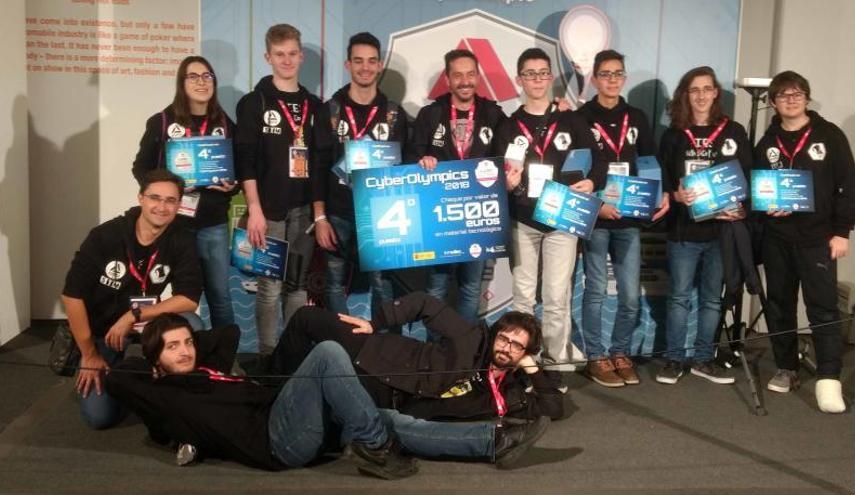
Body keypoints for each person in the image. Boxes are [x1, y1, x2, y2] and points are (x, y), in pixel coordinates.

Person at [106, 313, 551, 478]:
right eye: (172, 347)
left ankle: (493, 442)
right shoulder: (165, 390)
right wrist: (134, 330)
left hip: (284, 414)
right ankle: (375, 446)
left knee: (396, 422)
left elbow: (224, 334)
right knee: (327, 353)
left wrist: (171, 327)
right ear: (155, 361)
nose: (184, 351)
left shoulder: (205, 366)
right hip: (276, 442)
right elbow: (119, 376)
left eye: (186, 342)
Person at [268, 291, 564, 423]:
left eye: (516, 346)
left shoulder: (509, 391)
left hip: (387, 397)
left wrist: (531, 367)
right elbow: (424, 303)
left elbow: (553, 407)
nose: (506, 348)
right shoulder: (472, 337)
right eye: (504, 338)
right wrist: (377, 322)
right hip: (381, 357)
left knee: (328, 386)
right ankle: (271, 389)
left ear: (525, 353)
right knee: (307, 317)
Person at [753, 71, 855, 413]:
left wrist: (842, 231)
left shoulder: (829, 136)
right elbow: (760, 192)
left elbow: (850, 187)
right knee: (780, 305)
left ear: (807, 97)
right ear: (773, 102)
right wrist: (769, 209)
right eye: (784, 95)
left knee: (822, 308)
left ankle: (830, 377)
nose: (791, 99)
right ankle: (787, 367)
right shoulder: (766, 144)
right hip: (778, 239)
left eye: (798, 93)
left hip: (818, 238)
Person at [60, 169, 203, 429]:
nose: (162, 207)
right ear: (140, 198)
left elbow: (189, 298)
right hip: (103, 335)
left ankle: (151, 376)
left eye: (171, 200)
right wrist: (89, 354)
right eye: (155, 198)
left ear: (179, 205)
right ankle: (133, 375)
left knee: (191, 323)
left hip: (145, 329)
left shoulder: (182, 239)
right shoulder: (104, 236)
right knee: (100, 418)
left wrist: (134, 315)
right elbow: (72, 296)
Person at [492, 48, 601, 376]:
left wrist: (593, 181)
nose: (537, 79)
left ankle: (554, 368)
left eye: (542, 73)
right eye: (530, 73)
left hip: (561, 221)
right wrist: (505, 186)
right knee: (523, 299)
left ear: (551, 78)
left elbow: (598, 159)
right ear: (518, 79)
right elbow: (496, 174)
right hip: (522, 221)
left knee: (556, 298)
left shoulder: (571, 119)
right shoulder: (508, 126)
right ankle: (521, 367)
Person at [576, 49, 669, 388]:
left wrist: (661, 194)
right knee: (596, 291)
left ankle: (620, 352)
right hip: (598, 218)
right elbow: (576, 170)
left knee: (630, 296)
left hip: (629, 219)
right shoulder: (580, 118)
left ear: (624, 78)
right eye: (605, 74)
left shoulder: (637, 117)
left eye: (618, 74)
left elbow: (649, 161)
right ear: (594, 78)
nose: (612, 80)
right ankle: (596, 357)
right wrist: (596, 204)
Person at [655, 66, 752, 385]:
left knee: (712, 298)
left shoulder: (733, 132)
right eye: (693, 89)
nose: (700, 95)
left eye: (706, 89)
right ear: (686, 94)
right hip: (684, 231)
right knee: (679, 296)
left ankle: (703, 358)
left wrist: (740, 209)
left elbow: (747, 177)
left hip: (721, 231)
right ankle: (673, 359)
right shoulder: (673, 135)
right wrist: (675, 194)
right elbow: (663, 179)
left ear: (715, 93)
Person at [235, 24, 322, 354]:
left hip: (304, 211)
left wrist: (319, 212)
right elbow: (246, 159)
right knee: (269, 287)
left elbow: (321, 161)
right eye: (279, 54)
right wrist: (253, 209)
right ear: (267, 57)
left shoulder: (315, 105)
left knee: (297, 285)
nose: (286, 61)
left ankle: (294, 353)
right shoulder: (254, 102)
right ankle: (269, 355)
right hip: (268, 211)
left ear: (301, 56)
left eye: (292, 54)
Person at [132, 55, 237, 329]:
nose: (201, 82)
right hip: (175, 224)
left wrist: (231, 185)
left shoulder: (226, 125)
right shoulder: (163, 122)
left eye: (207, 76)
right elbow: (140, 168)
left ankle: (223, 358)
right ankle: (186, 356)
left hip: (213, 223)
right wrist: (168, 186)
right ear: (182, 82)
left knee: (220, 296)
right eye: (193, 76)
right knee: (184, 297)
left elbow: (239, 170)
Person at [405, 48, 507, 322]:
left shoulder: (493, 114)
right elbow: (410, 156)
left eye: (471, 74)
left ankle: (462, 353)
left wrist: (557, 109)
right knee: (437, 286)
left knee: (471, 287)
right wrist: (421, 160)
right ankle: (434, 353)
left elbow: (518, 140)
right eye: (458, 75)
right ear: (448, 79)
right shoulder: (430, 114)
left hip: (478, 217)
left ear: (478, 77)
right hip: (441, 216)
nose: (465, 81)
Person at [312, 32, 408, 317]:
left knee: (383, 286)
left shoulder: (394, 114)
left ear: (380, 65)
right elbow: (317, 167)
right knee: (334, 283)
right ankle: (342, 343)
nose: (365, 67)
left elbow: (402, 171)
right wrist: (319, 218)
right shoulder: (330, 110)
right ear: (347, 65)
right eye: (358, 61)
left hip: (382, 215)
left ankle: (382, 349)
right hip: (338, 213)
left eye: (371, 61)